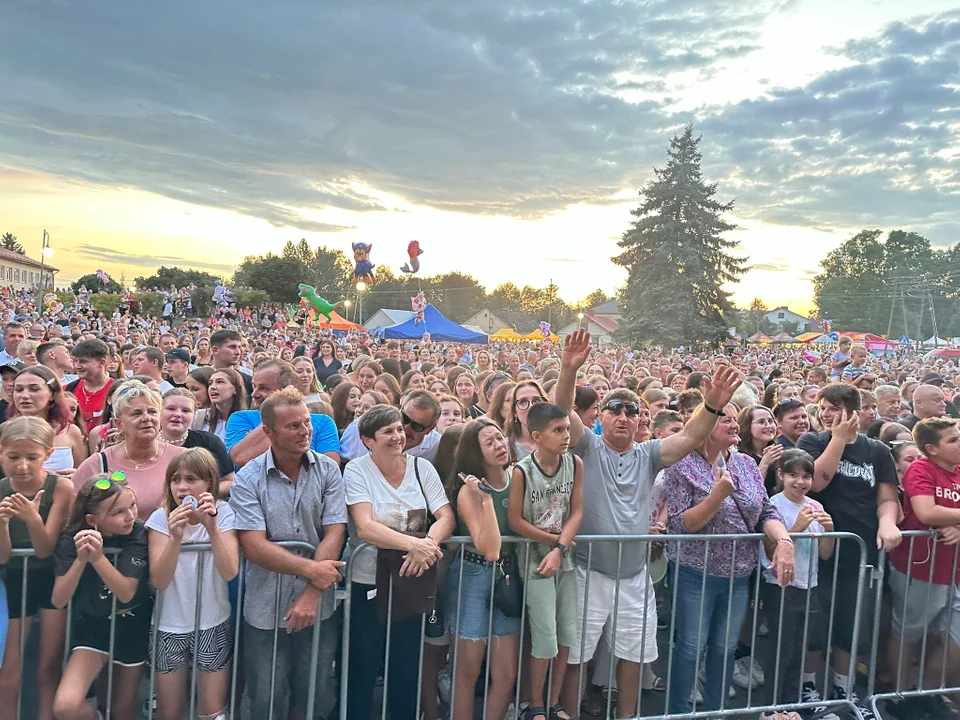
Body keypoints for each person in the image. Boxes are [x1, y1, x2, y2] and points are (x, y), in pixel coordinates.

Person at [554, 330, 744, 720]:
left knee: (633, 656)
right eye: (614, 410)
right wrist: (569, 369)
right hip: (588, 571)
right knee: (575, 657)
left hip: (635, 575)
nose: (623, 417)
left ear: (641, 422)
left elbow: (691, 436)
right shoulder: (586, 447)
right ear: (601, 417)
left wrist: (711, 405)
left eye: (631, 412)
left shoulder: (650, 453)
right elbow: (561, 412)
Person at [664, 402, 794, 715]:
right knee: (691, 648)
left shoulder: (747, 463)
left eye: (737, 419)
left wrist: (784, 540)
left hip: (739, 576)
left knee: (724, 649)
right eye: (727, 419)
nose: (735, 424)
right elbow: (681, 524)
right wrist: (715, 498)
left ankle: (716, 711)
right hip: (695, 574)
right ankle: (678, 712)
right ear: (705, 425)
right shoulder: (681, 464)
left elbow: (765, 511)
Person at [230, 388, 347, 720]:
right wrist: (314, 571)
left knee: (315, 691)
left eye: (306, 422)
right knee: (268, 693)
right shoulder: (248, 478)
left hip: (319, 606)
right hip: (265, 607)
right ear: (268, 432)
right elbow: (253, 545)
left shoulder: (328, 470)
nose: (304, 431)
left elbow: (335, 531)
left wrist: (311, 593)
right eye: (293, 426)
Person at [797, 383, 901, 720]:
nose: (826, 413)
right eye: (823, 407)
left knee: (850, 624)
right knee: (815, 625)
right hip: (820, 552)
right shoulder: (812, 442)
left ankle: (844, 690)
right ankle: (808, 688)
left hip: (861, 552)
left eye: (834, 407)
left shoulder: (877, 451)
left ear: (853, 410)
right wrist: (838, 439)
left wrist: (888, 523)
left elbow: (887, 498)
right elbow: (818, 481)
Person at [343, 405, 455, 720]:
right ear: (367, 440)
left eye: (398, 429)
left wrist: (428, 545)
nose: (397, 436)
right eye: (388, 432)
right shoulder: (356, 470)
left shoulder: (422, 468)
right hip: (368, 580)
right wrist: (415, 544)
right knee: (364, 663)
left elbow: (445, 516)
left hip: (411, 580)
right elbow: (365, 526)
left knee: (406, 664)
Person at [146, 448, 238, 720]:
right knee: (169, 711)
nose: (182, 486)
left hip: (213, 621)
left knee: (211, 711)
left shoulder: (225, 513)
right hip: (169, 625)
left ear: (209, 483)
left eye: (191, 479)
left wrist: (212, 529)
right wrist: (175, 537)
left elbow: (230, 571)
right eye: (175, 479)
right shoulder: (161, 518)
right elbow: (159, 580)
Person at [51, 475, 150, 720]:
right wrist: (81, 560)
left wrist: (98, 558)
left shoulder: (137, 531)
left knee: (122, 709)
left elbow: (127, 592)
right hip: (93, 626)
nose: (130, 515)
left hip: (133, 625)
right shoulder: (73, 535)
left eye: (132, 506)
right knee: (65, 706)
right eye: (118, 512)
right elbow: (59, 599)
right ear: (92, 520)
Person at [508, 403, 583, 720]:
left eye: (567, 429)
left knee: (567, 632)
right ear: (537, 436)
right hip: (534, 561)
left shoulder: (574, 463)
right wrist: (553, 541)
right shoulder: (521, 471)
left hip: (563, 557)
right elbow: (515, 520)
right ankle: (535, 702)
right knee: (545, 636)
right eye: (558, 430)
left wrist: (561, 547)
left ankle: (555, 701)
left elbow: (577, 510)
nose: (566, 436)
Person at [444, 418, 519, 720]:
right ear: (476, 453)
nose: (500, 446)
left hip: (509, 576)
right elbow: (489, 549)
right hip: (473, 576)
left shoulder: (518, 477)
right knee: (467, 672)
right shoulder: (468, 492)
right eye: (490, 443)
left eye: (500, 438)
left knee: (506, 674)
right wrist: (487, 500)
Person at [0, 417, 74, 720]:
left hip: (48, 578)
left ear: (47, 454)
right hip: (12, 581)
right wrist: (3, 523)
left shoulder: (61, 488)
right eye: (13, 457)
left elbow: (44, 549)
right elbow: (3, 556)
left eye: (32, 458)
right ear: (1, 451)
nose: (22, 466)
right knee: (10, 670)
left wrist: (32, 517)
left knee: (48, 665)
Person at [886, 418, 960, 716]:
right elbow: (926, 510)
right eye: (952, 440)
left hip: (954, 571)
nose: (959, 444)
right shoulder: (921, 468)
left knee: (955, 636)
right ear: (931, 448)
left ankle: (928, 691)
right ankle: (900, 697)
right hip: (921, 567)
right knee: (908, 632)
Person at [758, 450, 835, 715]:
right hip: (780, 586)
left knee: (798, 652)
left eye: (806, 476)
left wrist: (830, 529)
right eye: (793, 475)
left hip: (809, 585)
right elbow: (769, 551)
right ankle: (770, 709)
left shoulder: (816, 506)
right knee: (782, 650)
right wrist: (798, 528)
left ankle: (790, 707)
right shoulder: (774, 505)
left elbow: (825, 553)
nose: (800, 482)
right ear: (780, 475)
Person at [72, 381, 186, 520]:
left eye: (152, 412)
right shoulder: (99, 463)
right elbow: (73, 515)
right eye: (136, 414)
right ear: (119, 424)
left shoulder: (182, 458)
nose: (147, 418)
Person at [225, 360, 339, 468]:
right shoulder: (241, 418)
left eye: (263, 388)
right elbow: (241, 458)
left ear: (287, 391)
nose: (254, 394)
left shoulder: (323, 422)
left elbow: (328, 469)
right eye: (254, 386)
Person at [159, 390, 235, 497]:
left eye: (186, 411)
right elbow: (127, 474)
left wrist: (202, 495)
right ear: (159, 411)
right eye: (171, 409)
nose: (178, 414)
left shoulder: (209, 442)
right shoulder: (145, 442)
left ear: (194, 416)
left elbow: (229, 481)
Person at [12, 365, 88, 469]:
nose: (24, 395)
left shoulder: (71, 431)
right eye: (19, 390)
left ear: (52, 394)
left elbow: (81, 473)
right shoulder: (5, 432)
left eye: (34, 389)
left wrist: (74, 475)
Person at [340, 390, 442, 463]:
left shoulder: (436, 446)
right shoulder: (362, 425)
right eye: (405, 418)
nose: (406, 427)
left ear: (430, 429)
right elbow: (342, 462)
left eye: (417, 426)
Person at [68, 339, 115, 431]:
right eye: (75, 361)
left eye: (83, 361)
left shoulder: (118, 390)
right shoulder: (68, 389)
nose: (77, 366)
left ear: (102, 362)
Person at [195, 368, 247, 443]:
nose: (212, 387)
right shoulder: (199, 417)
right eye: (210, 383)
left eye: (220, 382)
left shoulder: (246, 421)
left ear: (235, 388)